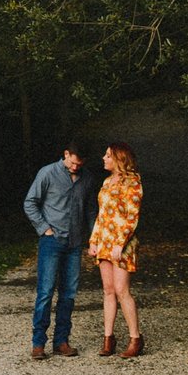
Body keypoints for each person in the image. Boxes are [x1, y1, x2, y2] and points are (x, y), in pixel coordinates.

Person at [21, 142, 90, 360]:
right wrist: (44, 229)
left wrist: (94, 236)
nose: (75, 167)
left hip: (75, 242)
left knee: (69, 293)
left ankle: (61, 341)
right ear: (66, 154)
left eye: (79, 164)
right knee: (45, 292)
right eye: (72, 162)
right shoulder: (48, 173)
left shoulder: (86, 178)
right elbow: (30, 202)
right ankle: (38, 343)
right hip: (52, 241)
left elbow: (89, 209)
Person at [87, 140, 145, 357]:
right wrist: (93, 240)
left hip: (122, 243)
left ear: (120, 159)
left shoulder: (133, 183)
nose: (104, 158)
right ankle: (108, 338)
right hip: (104, 240)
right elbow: (101, 215)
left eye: (108, 155)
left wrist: (120, 243)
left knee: (122, 290)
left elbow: (132, 217)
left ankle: (135, 339)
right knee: (108, 290)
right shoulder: (107, 182)